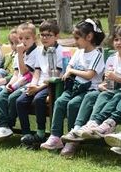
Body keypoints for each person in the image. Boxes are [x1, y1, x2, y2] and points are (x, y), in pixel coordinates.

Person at [59, 25, 121, 156]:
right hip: (109, 90)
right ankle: (78, 130)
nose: (118, 43)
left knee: (105, 97)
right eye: (116, 39)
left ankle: (93, 125)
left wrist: (116, 78)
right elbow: (106, 80)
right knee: (91, 96)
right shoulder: (112, 58)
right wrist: (102, 85)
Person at [40, 18, 105, 152]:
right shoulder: (79, 52)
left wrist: (71, 71)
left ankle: (72, 140)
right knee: (60, 102)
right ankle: (55, 137)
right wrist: (69, 68)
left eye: (77, 38)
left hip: (88, 90)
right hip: (74, 87)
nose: (75, 42)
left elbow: (89, 75)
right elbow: (70, 63)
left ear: (89, 37)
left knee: (73, 104)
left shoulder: (96, 55)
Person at [16, 20, 64, 148]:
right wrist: (32, 85)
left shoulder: (60, 51)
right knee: (20, 101)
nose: (45, 38)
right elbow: (37, 71)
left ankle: (40, 133)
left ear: (56, 36)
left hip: (53, 85)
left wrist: (37, 88)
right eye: (42, 35)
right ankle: (26, 135)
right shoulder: (39, 51)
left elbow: (56, 76)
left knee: (38, 99)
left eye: (49, 35)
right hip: (38, 84)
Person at [0, 22, 39, 141]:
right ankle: (3, 126)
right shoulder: (20, 52)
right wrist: (10, 84)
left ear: (34, 38)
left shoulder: (35, 52)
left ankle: (9, 124)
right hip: (19, 82)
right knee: (2, 95)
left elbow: (25, 73)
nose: (23, 41)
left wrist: (19, 54)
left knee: (13, 97)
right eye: (21, 38)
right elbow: (16, 73)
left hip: (30, 83)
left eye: (27, 38)